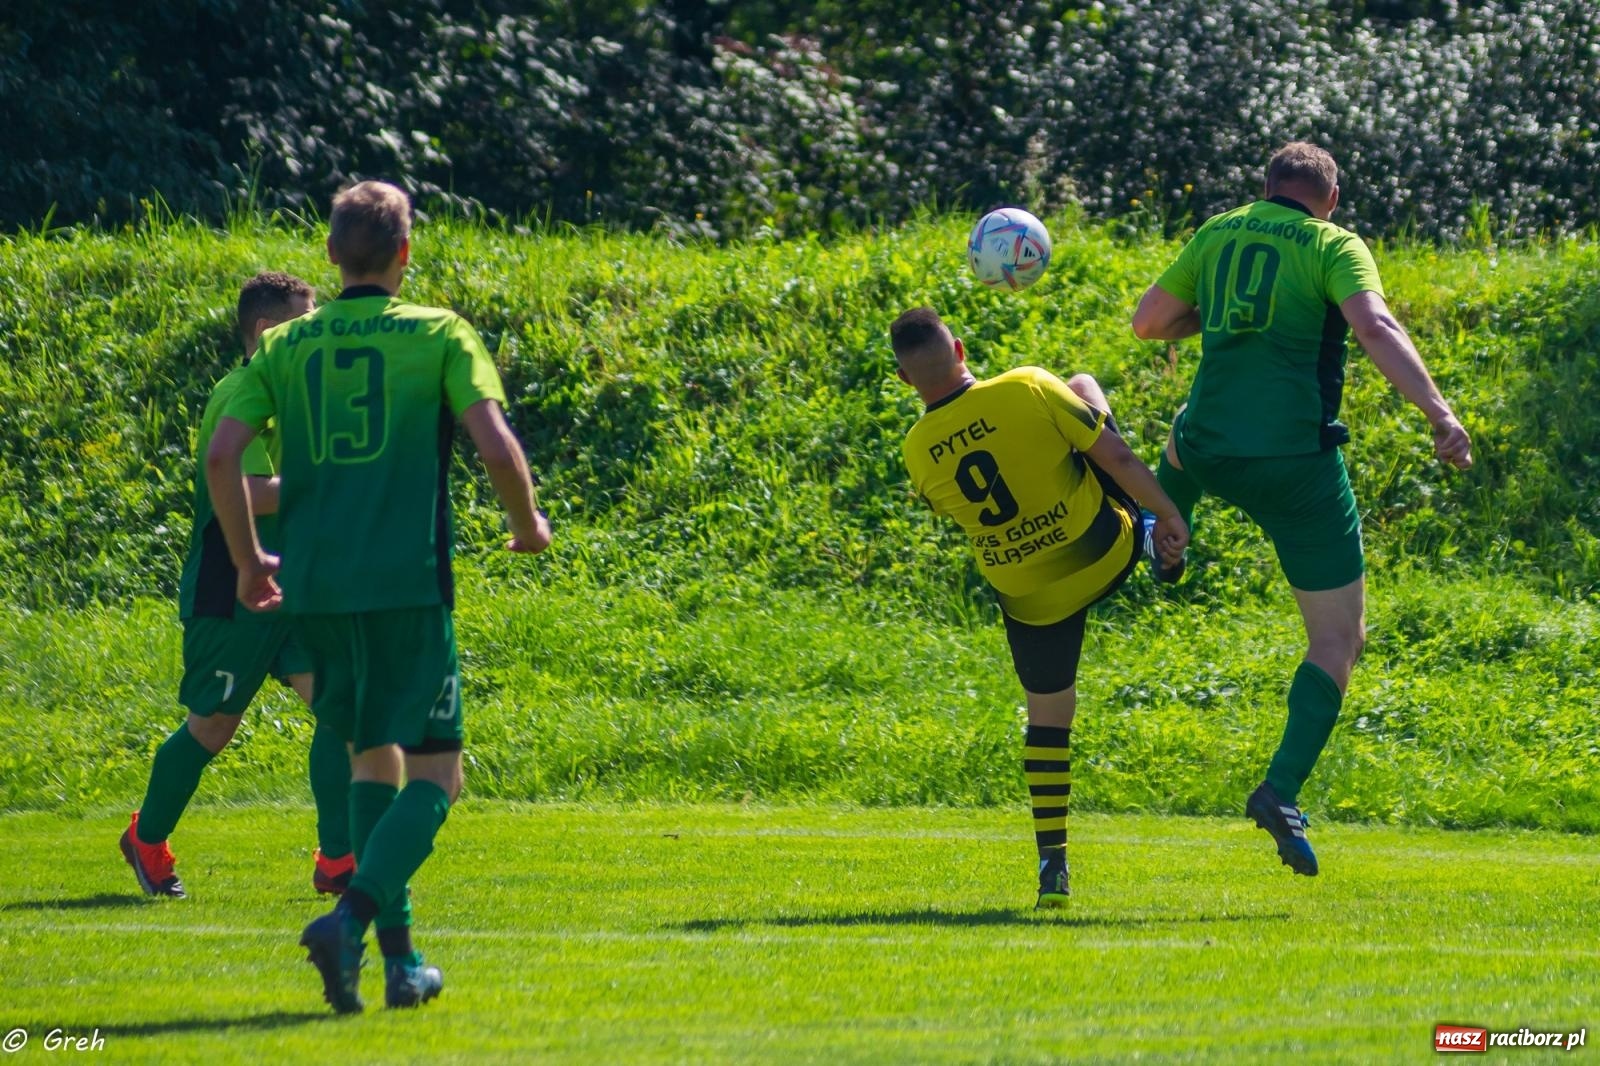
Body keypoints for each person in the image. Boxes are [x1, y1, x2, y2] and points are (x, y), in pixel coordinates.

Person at [206, 181, 551, 1013]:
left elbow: (223, 458)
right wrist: (527, 522)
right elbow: (494, 444)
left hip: (317, 589)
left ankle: (399, 965)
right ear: (405, 253)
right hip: (406, 583)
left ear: (331, 253)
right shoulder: (439, 333)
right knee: (439, 775)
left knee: (371, 760)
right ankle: (351, 918)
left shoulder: (284, 344)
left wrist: (250, 563)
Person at [1131, 141, 1473, 876]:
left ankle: (1165, 528)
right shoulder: (1332, 244)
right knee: (1339, 641)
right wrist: (1439, 414)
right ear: (1332, 198)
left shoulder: (1218, 231)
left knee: (1184, 433)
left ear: (1266, 187)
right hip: (1295, 469)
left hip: (1212, 449)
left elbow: (1150, 322)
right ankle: (1280, 790)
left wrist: (1215, 321)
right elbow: (1375, 327)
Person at [891, 307, 1188, 909]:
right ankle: (1150, 531)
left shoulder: (916, 451)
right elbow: (1118, 459)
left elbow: (953, 506)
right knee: (1081, 388)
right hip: (1103, 550)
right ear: (961, 349)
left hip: (1031, 595)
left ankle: (1053, 864)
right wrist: (1170, 512)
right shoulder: (1027, 385)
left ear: (905, 380)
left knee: (1048, 719)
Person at [120, 271, 353, 900]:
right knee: (213, 727)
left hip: (294, 585)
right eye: (307, 322)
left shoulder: (304, 400)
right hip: (231, 587)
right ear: (268, 330)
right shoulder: (238, 394)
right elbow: (248, 492)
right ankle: (145, 839)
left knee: (343, 708)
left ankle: (338, 860)